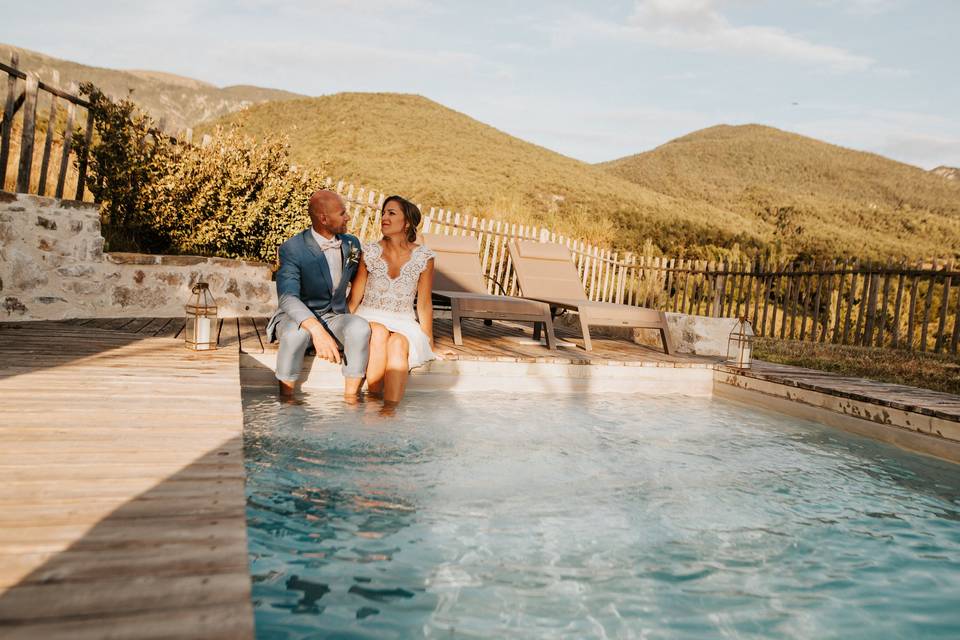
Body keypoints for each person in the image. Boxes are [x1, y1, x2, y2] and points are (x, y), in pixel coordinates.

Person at [266, 190, 371, 399]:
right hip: (296, 318)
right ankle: (286, 402)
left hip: (334, 316)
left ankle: (351, 401)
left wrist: (349, 310)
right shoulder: (292, 249)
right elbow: (287, 297)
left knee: (359, 327)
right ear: (324, 218)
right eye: (342, 213)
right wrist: (315, 329)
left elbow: (356, 276)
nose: (348, 217)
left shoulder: (352, 244)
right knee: (296, 336)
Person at [348, 195, 436, 408]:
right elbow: (355, 297)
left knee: (398, 343)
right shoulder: (368, 252)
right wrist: (340, 327)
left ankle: (389, 414)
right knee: (378, 331)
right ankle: (372, 404)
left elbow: (424, 304)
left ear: (406, 223)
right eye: (383, 213)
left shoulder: (424, 257)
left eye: (391, 213)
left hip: (404, 321)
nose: (384, 218)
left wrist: (430, 343)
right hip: (369, 315)